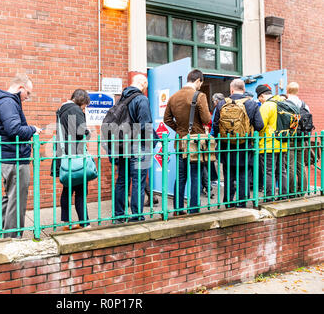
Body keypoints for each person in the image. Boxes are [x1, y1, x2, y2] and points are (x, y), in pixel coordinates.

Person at [0, 73, 42, 240]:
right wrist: (32, 129)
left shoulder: (3, 101)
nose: (27, 98)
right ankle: (13, 238)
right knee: (17, 201)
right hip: (15, 158)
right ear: (20, 87)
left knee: (10, 197)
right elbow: (14, 130)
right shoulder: (8, 102)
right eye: (28, 93)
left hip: (9, 156)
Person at [164, 69, 211, 214]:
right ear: (198, 80)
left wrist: (179, 129)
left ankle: (178, 209)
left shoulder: (173, 97)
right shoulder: (199, 96)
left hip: (180, 142)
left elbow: (167, 120)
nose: (200, 86)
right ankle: (193, 208)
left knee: (180, 177)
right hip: (195, 142)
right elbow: (206, 119)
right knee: (195, 176)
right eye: (200, 83)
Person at [211, 79, 264, 208]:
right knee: (244, 174)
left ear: (231, 89)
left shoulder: (221, 104)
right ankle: (242, 201)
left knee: (228, 174)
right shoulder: (252, 104)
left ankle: (228, 201)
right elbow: (259, 125)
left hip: (226, 146)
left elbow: (216, 126)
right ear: (244, 89)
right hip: (245, 146)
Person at [112, 74, 154, 223]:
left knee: (122, 180)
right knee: (138, 181)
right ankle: (136, 216)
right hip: (138, 146)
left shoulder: (121, 99)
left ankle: (118, 216)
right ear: (143, 84)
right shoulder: (141, 99)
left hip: (123, 146)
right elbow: (145, 125)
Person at [51, 89, 92, 230]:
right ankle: (84, 222)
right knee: (81, 190)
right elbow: (81, 133)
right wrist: (88, 132)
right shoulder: (75, 110)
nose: (85, 108)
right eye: (85, 106)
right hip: (76, 157)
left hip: (64, 156)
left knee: (68, 189)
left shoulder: (62, 110)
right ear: (82, 101)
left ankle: (67, 221)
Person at [257, 84, 288, 201]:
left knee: (269, 172)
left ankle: (269, 197)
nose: (260, 101)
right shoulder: (282, 102)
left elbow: (260, 125)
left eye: (259, 98)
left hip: (268, 144)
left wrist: (258, 138)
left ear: (262, 96)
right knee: (282, 170)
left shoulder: (267, 106)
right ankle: (283, 195)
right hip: (283, 143)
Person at [286, 82, 310, 195]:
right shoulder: (304, 105)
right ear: (298, 91)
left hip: (290, 138)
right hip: (302, 138)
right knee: (301, 165)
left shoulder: (285, 104)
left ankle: (292, 190)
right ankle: (303, 190)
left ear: (287, 91)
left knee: (290, 165)